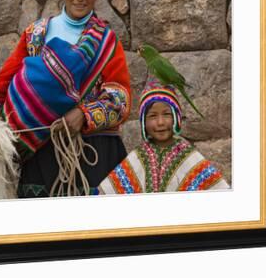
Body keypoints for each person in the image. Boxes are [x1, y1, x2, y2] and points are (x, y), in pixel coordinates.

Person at [0, 0, 131, 198]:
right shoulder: (35, 34)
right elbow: (2, 86)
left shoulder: (107, 43)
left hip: (93, 154)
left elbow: (120, 100)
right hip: (39, 151)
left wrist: (84, 114)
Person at [98, 79, 230, 194]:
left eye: (166, 114)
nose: (160, 122)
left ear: (176, 118)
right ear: (144, 122)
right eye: (153, 116)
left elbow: (218, 192)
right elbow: (108, 194)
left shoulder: (190, 158)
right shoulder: (135, 160)